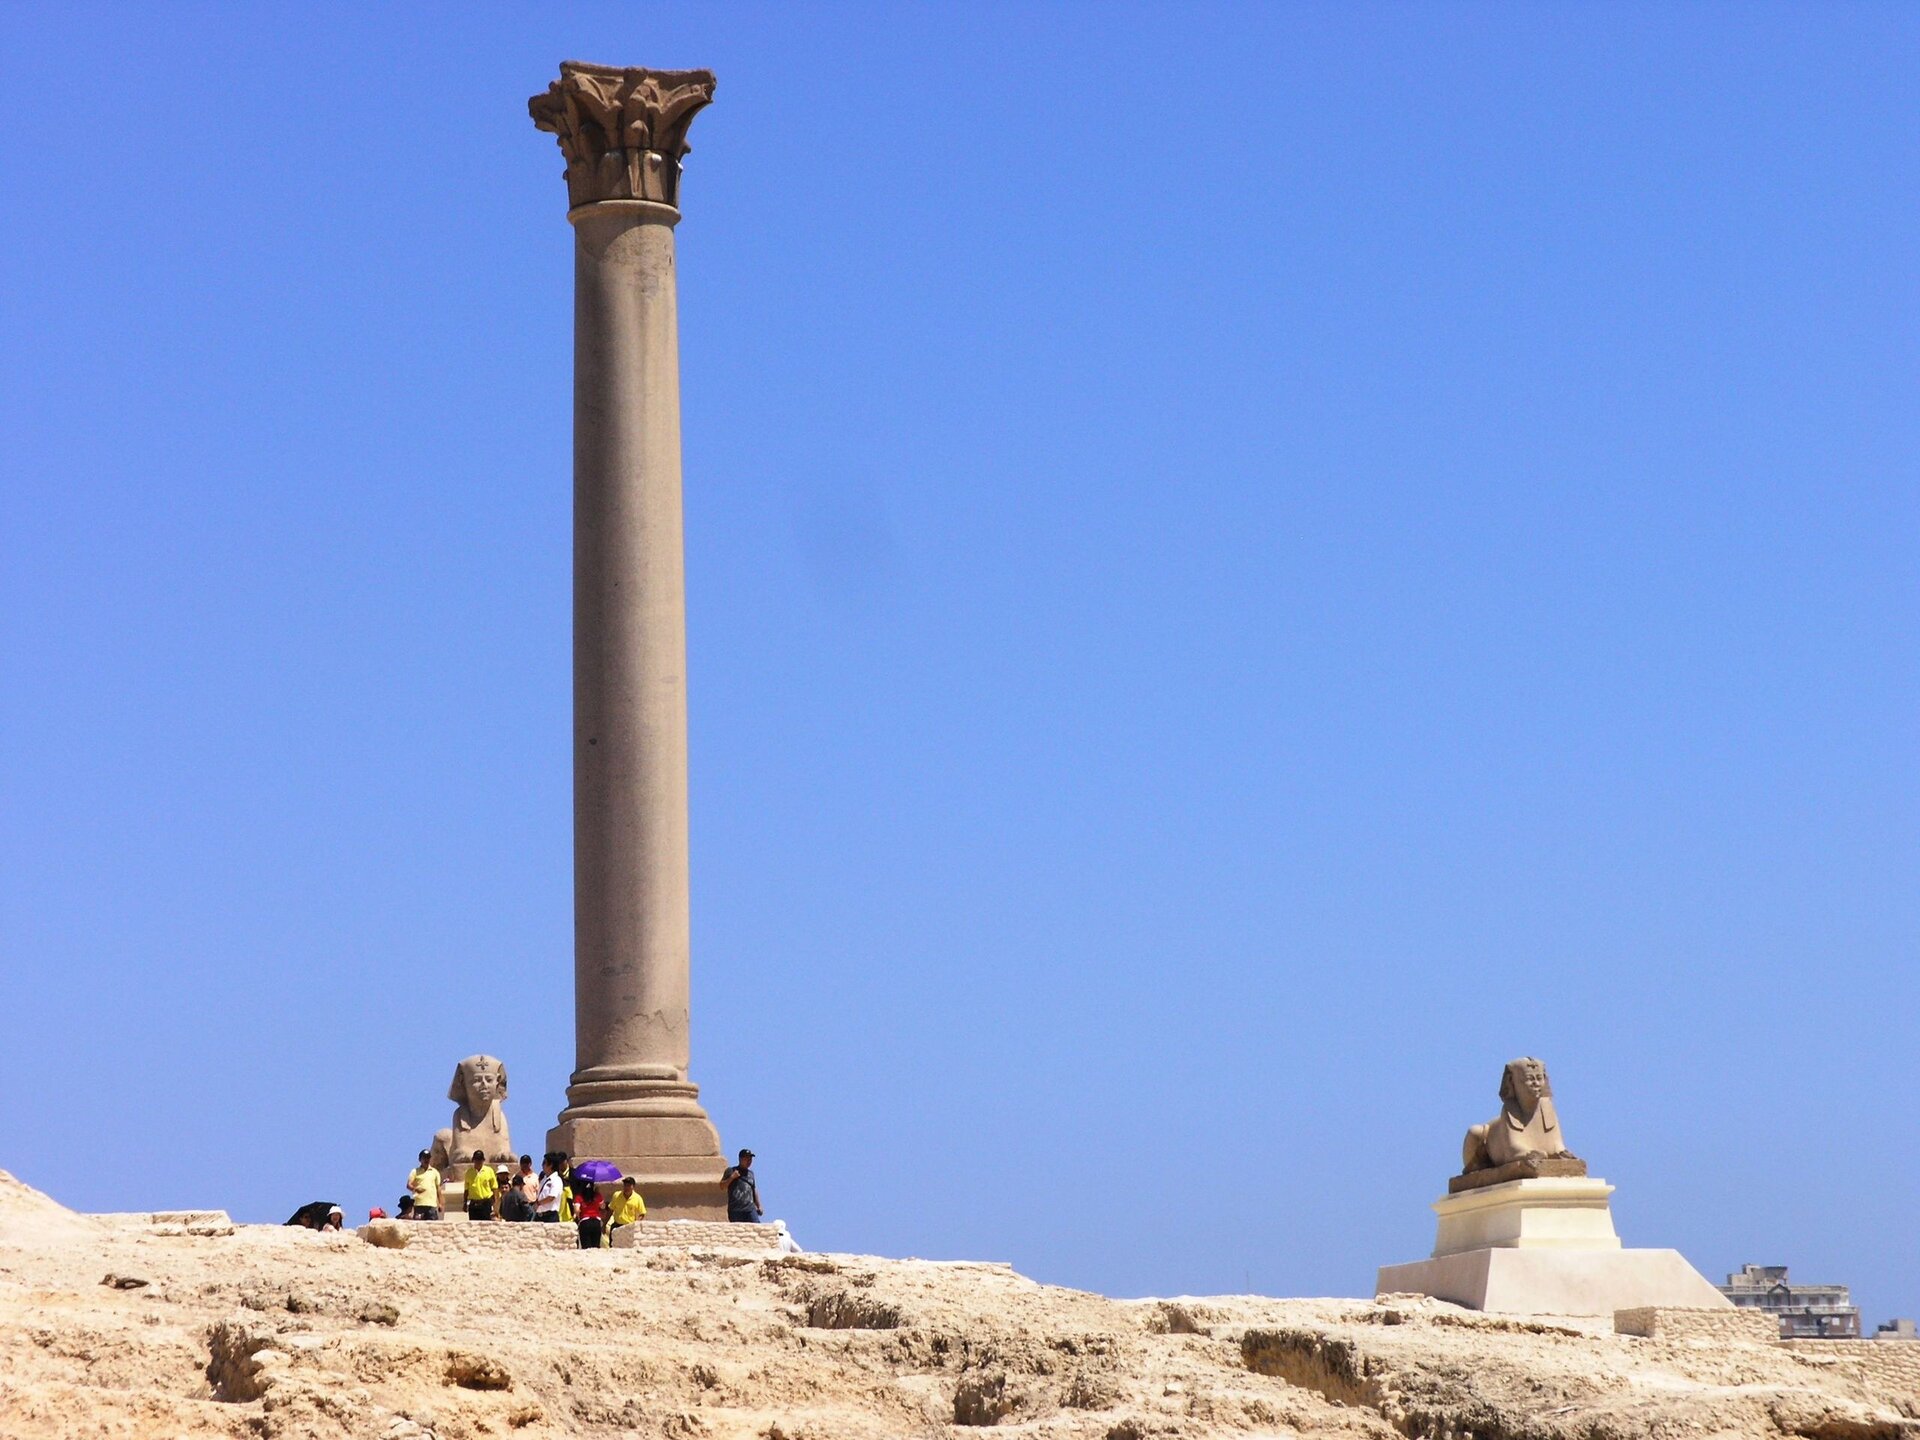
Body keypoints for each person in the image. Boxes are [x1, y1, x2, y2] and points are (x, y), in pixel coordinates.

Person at [722, 1149, 763, 1223]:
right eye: (746, 1159)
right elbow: (722, 1186)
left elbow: (753, 1190)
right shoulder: (731, 1170)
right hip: (736, 1209)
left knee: (756, 1226)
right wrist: (732, 1177)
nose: (749, 1161)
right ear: (740, 1159)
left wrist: (759, 1205)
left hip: (750, 1208)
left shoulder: (751, 1174)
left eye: (750, 1159)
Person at [407, 1150, 443, 1221]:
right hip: (419, 1204)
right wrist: (416, 1189)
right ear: (420, 1159)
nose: (426, 1160)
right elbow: (408, 1185)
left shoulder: (435, 1172)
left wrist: (440, 1203)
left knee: (432, 1226)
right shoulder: (415, 1171)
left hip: (432, 1204)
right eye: (424, 1158)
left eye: (428, 1158)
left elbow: (438, 1189)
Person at [573, 1177, 607, 1250]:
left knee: (586, 1247)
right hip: (596, 1222)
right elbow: (603, 1206)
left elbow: (577, 1210)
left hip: (585, 1222)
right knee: (596, 1246)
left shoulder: (579, 1197)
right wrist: (598, 1192)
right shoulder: (597, 1195)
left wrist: (578, 1215)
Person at [464, 1149, 499, 1220]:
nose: (478, 1162)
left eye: (480, 1160)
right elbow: (466, 1189)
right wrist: (464, 1203)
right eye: (476, 1159)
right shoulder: (469, 1172)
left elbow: (494, 1188)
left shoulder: (489, 1171)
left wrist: (495, 1204)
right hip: (473, 1203)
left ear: (483, 1160)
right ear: (473, 1160)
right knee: (473, 1226)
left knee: (486, 1225)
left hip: (485, 1203)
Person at [534, 1158, 564, 1223]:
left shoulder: (556, 1180)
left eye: (544, 1163)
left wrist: (538, 1203)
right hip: (539, 1215)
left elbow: (552, 1197)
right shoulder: (543, 1180)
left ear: (550, 1165)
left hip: (550, 1216)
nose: (542, 1165)